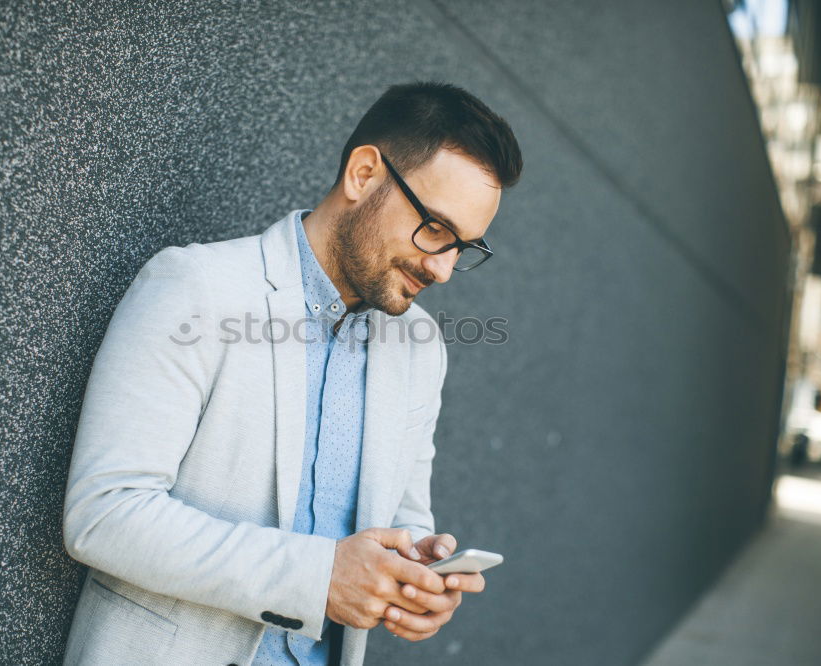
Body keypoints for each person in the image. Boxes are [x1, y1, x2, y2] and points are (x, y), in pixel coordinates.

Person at [61, 80, 522, 665]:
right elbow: (104, 514)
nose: (443, 268)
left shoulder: (421, 347)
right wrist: (319, 577)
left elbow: (403, 518)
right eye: (435, 229)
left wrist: (414, 576)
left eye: (464, 247)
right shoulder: (196, 288)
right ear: (363, 174)